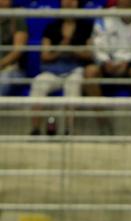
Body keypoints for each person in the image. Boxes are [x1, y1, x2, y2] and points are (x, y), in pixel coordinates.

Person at [84, 0, 131, 134]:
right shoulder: (105, 18)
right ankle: (104, 124)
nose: (124, 5)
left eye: (128, 3)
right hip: (108, 63)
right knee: (89, 72)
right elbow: (97, 46)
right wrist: (105, 62)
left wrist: (129, 64)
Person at [29, 0, 94, 135]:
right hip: (52, 70)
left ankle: (69, 131)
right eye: (65, 0)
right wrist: (60, 50)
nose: (69, 3)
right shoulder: (51, 27)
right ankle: (35, 129)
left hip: (75, 69)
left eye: (72, 1)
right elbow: (45, 56)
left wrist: (73, 50)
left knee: (73, 85)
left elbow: (89, 55)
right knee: (38, 83)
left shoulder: (86, 27)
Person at [0, 0, 28, 96]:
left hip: (11, 68)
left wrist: (1, 63)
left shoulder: (16, 18)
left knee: (3, 80)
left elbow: (18, 50)